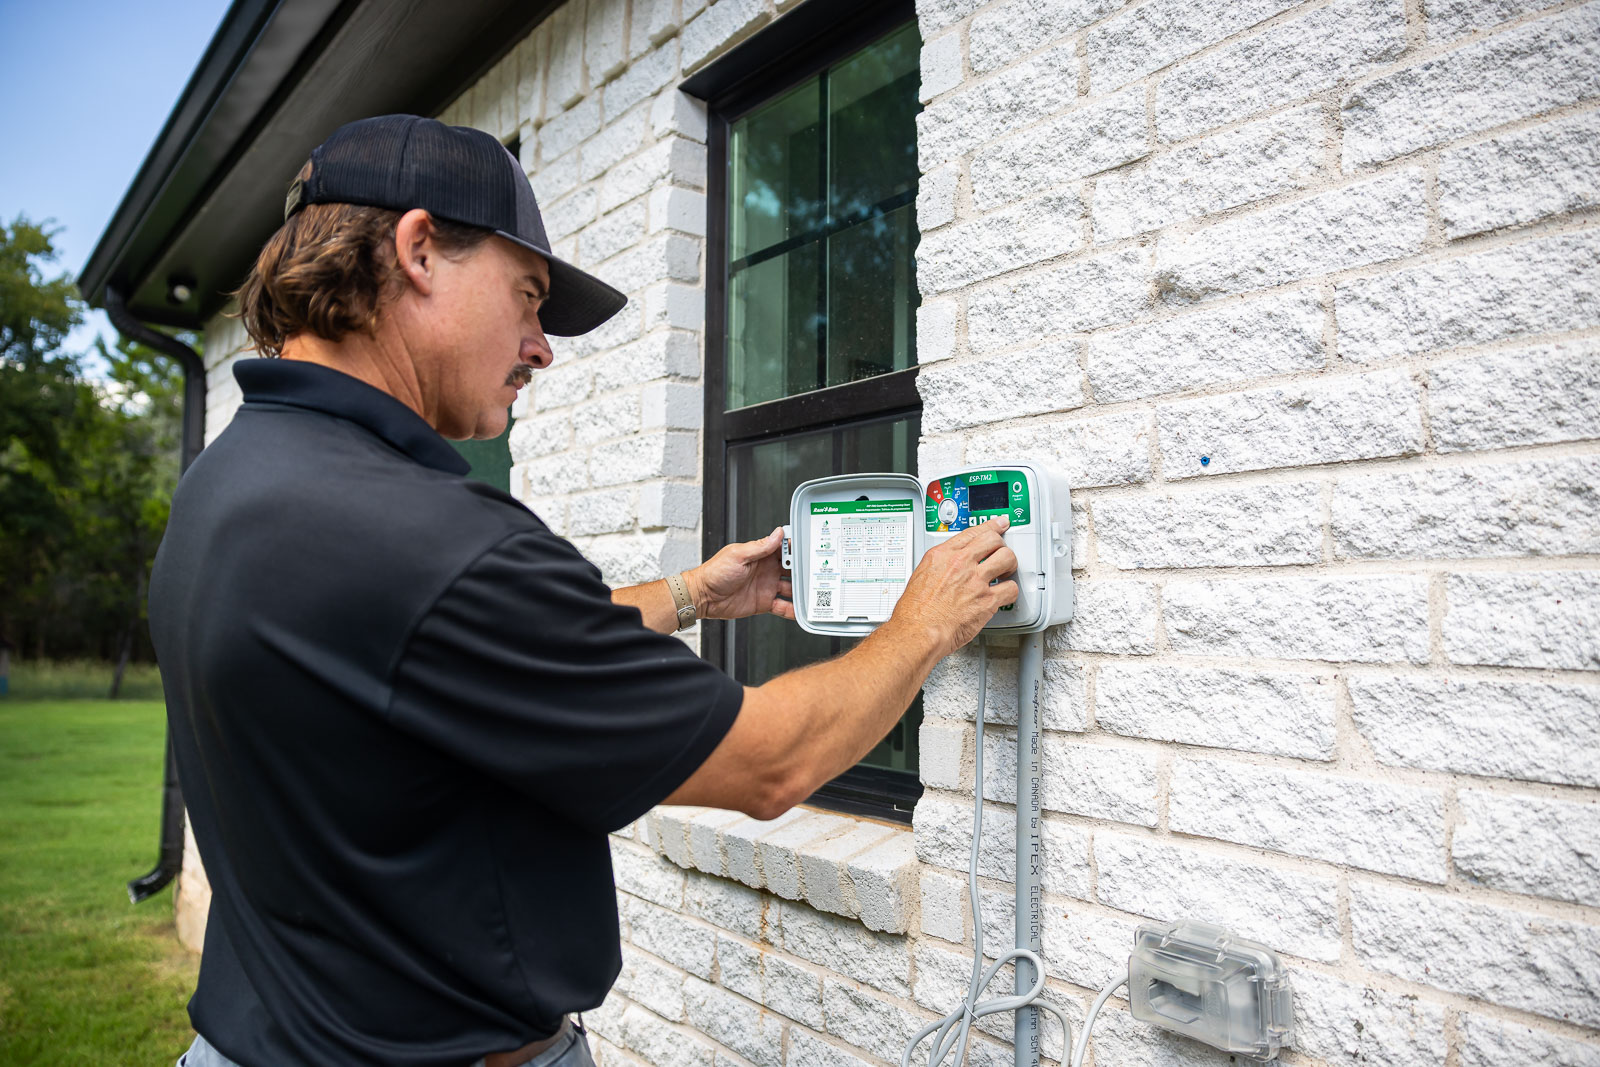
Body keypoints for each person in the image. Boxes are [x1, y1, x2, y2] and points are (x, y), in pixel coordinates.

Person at [151, 115, 1017, 1067]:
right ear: (419, 250)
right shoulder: (429, 537)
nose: (540, 346)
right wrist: (925, 619)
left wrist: (691, 593)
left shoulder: (231, 486)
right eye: (527, 298)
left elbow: (436, 653)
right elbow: (775, 761)